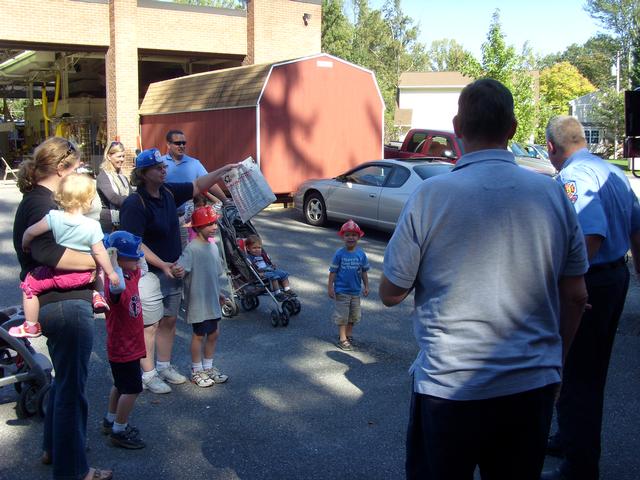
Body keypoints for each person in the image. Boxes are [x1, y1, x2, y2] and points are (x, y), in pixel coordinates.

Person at [379, 79, 589, 480]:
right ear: (512, 128)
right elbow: (576, 295)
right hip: (531, 384)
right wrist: (556, 365)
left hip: (448, 387)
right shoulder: (552, 194)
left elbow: (391, 293)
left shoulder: (430, 196)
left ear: (457, 127)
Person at [541, 116, 640, 480]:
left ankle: (579, 466)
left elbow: (591, 233)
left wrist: (572, 286)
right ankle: (569, 437)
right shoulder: (611, 172)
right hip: (614, 278)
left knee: (577, 374)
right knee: (588, 370)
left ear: (551, 147)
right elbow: (637, 225)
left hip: (590, 283)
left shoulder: (572, 178)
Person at [12, 136, 113, 480]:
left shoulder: (37, 200)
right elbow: (47, 254)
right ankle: (73, 471)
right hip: (66, 306)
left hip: (55, 304)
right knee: (72, 390)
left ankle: (53, 449)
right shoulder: (44, 205)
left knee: (62, 382)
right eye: (77, 167)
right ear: (60, 169)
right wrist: (96, 264)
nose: (81, 172)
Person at [119, 148, 237, 394]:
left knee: (170, 320)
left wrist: (222, 170)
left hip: (171, 268)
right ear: (144, 174)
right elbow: (134, 242)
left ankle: (164, 366)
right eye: (158, 168)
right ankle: (148, 374)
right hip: (148, 272)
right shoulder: (135, 203)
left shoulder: (168, 192)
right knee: (149, 325)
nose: (164, 170)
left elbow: (196, 185)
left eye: (164, 166)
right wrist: (161, 264)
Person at [10, 173, 120, 339]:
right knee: (98, 267)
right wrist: (110, 272)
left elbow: (31, 231)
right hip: (85, 278)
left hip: (57, 275)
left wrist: (25, 243)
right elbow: (99, 252)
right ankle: (98, 295)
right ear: (89, 201)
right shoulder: (92, 225)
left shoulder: (53, 218)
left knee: (29, 287)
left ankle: (31, 325)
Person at [101, 231, 146, 450]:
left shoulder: (133, 273)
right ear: (117, 259)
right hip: (122, 346)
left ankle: (110, 419)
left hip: (132, 344)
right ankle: (119, 429)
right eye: (131, 256)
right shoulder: (114, 284)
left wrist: (136, 251)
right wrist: (111, 261)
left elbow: (143, 263)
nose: (137, 259)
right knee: (132, 389)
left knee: (120, 385)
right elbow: (117, 286)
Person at [175, 205, 229, 387]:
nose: (214, 227)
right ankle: (196, 370)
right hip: (198, 300)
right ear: (197, 227)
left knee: (214, 333)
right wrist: (178, 271)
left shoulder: (213, 246)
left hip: (212, 298)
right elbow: (181, 268)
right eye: (208, 224)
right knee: (199, 334)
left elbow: (213, 273)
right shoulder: (192, 248)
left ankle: (208, 366)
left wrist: (219, 293)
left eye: (214, 223)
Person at [162, 129, 229, 246]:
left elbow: (210, 182)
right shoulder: (160, 163)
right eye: (178, 143)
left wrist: (226, 200)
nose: (182, 146)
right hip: (163, 217)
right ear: (168, 144)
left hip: (185, 218)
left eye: (184, 143)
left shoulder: (194, 163)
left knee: (184, 251)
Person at [327, 220, 370, 351]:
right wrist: (330, 287)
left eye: (353, 235)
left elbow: (364, 272)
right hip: (342, 291)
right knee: (342, 315)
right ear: (343, 237)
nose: (350, 237)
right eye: (347, 235)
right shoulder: (339, 254)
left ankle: (348, 335)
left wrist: (366, 286)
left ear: (358, 237)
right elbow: (333, 272)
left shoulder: (361, 254)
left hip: (355, 291)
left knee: (354, 315)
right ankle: (342, 338)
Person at [245, 234, 296, 301]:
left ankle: (287, 289)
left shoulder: (262, 255)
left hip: (269, 269)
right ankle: (277, 293)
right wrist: (258, 273)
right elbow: (250, 267)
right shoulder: (249, 257)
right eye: (254, 248)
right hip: (261, 273)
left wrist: (272, 265)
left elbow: (268, 262)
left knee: (284, 274)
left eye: (259, 248)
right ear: (248, 249)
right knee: (274, 276)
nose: (257, 250)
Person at [97, 141, 133, 233]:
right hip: (109, 224)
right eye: (119, 156)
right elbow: (113, 198)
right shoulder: (103, 176)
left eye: (123, 156)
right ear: (109, 156)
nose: (122, 159)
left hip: (125, 220)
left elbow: (131, 194)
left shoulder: (123, 177)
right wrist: (133, 201)